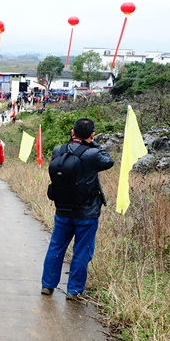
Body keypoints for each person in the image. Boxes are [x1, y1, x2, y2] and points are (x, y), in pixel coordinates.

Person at [40, 118, 114, 300]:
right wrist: (93, 142)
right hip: (86, 213)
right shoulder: (93, 154)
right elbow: (109, 161)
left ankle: (47, 285)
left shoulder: (59, 150)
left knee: (56, 247)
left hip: (62, 209)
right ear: (92, 134)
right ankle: (74, 291)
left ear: (72, 132)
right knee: (82, 250)